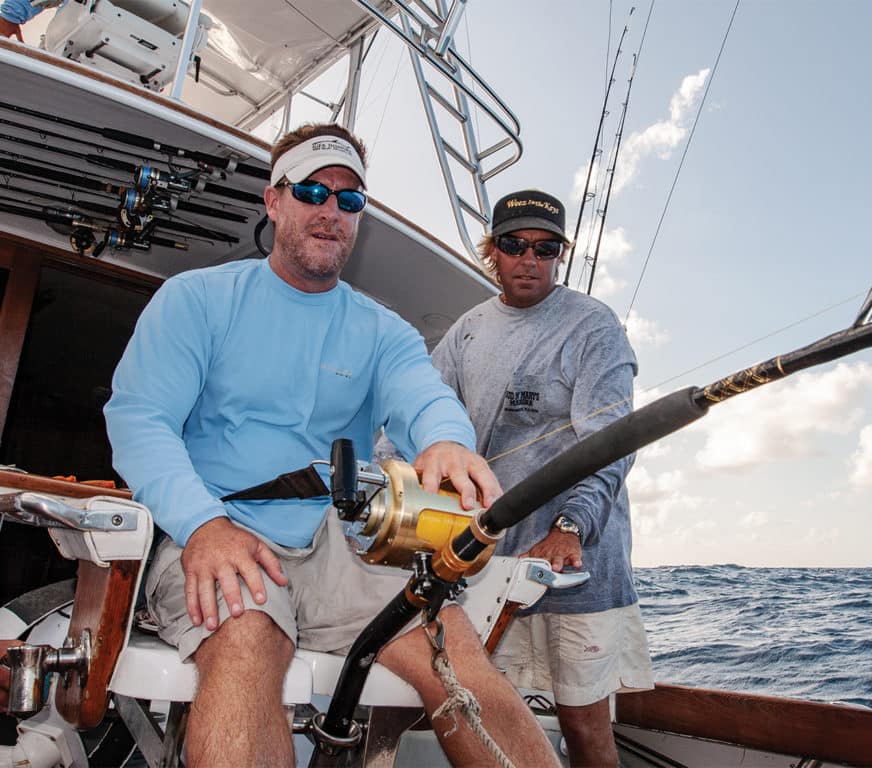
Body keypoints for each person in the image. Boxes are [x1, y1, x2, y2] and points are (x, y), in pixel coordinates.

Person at [104, 125, 558, 768]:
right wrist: (202, 525)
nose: (331, 211)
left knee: (454, 651)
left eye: (349, 200)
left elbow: (424, 398)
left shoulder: (383, 331)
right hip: (220, 530)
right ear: (274, 201)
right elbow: (140, 420)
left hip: (344, 549)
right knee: (246, 638)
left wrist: (449, 443)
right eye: (314, 190)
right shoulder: (196, 299)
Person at [432, 189, 653, 767]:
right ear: (493, 252)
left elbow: (612, 444)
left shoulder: (594, 328)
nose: (529, 259)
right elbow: (425, 422)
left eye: (546, 247)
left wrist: (568, 527)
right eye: (514, 244)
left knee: (584, 729)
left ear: (559, 255)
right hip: (489, 570)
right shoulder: (466, 333)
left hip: (576, 571)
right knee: (484, 718)